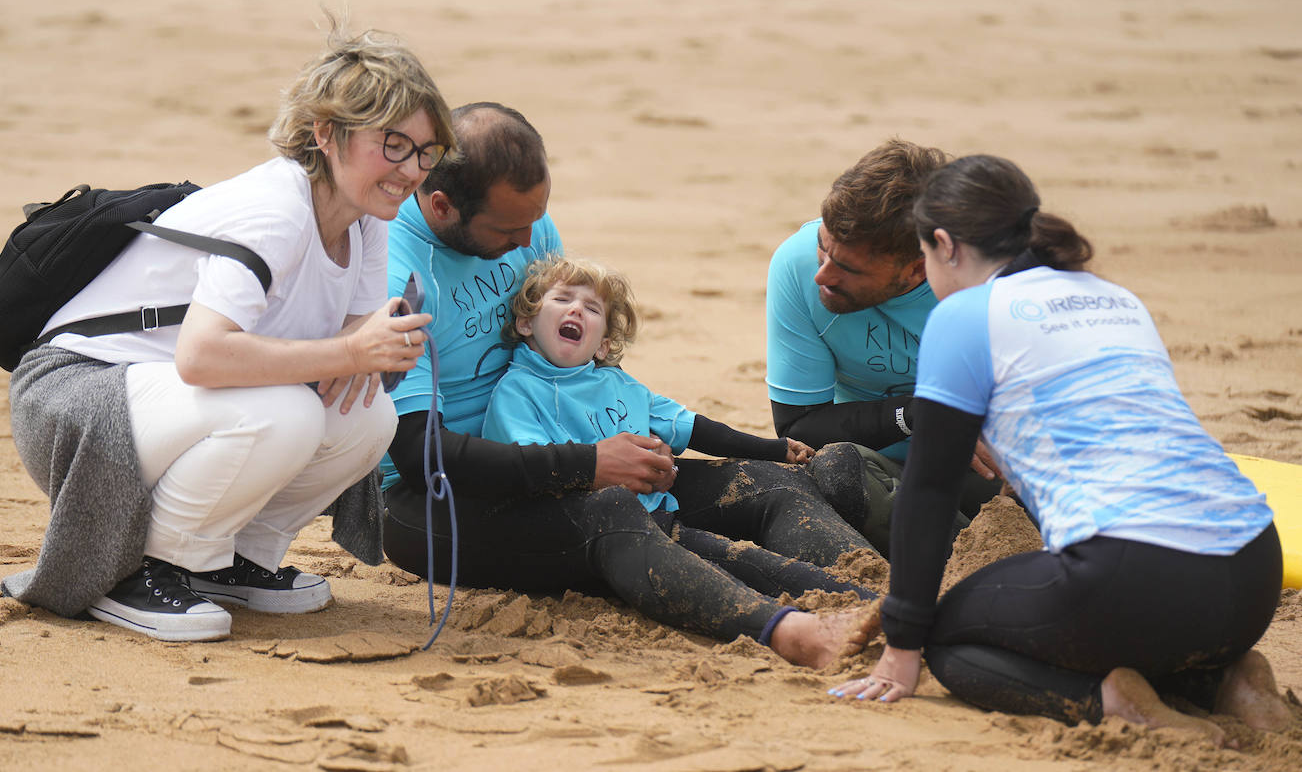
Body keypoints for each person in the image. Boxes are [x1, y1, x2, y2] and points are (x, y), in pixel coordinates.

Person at [354, 102, 879, 667]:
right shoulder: (396, 275)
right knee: (613, 512)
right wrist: (587, 464)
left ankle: (880, 598)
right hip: (435, 502)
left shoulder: (525, 224)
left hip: (567, 451)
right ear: (442, 205)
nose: (531, 239)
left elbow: (570, 355)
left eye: (537, 218)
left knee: (769, 484)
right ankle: (787, 632)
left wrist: (623, 434)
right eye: (510, 229)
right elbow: (417, 454)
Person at [3, 23, 453, 642]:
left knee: (368, 414)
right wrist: (351, 349)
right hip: (76, 397)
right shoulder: (277, 211)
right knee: (287, 412)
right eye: (393, 144)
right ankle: (140, 572)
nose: (410, 170)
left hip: (164, 405)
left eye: (426, 153)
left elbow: (345, 356)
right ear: (326, 133)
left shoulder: (365, 217)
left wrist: (372, 351)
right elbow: (204, 356)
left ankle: (234, 560)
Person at [829, 155, 1292, 743]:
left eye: (923, 254)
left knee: (949, 640)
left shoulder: (967, 314)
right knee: (1104, 614)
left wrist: (903, 642)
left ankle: (1113, 704)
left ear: (944, 244)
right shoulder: (1112, 296)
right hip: (1254, 574)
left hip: (1138, 574)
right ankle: (1228, 680)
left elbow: (929, 486)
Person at [482, 253, 876, 607]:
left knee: (778, 485)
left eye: (591, 308)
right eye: (563, 299)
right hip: (605, 534)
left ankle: (870, 574)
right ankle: (863, 602)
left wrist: (772, 449)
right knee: (739, 560)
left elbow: (693, 428)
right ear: (526, 321)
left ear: (603, 345)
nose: (577, 311)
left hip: (662, 513)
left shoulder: (618, 384)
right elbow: (531, 470)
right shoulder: (516, 392)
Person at [765, 139, 1001, 554]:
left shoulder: (997, 285)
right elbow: (798, 427)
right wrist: (921, 414)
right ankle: (964, 554)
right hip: (873, 468)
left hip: (982, 463)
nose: (822, 275)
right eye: (823, 246)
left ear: (916, 267)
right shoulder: (796, 264)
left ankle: (987, 548)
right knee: (834, 470)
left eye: (849, 268)